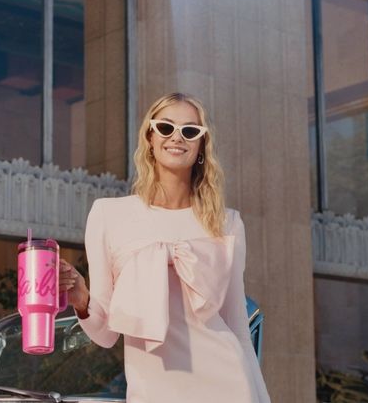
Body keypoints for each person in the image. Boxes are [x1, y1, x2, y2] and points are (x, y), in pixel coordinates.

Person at [59, 92, 272, 403]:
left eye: (190, 130)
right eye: (166, 127)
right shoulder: (109, 215)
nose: (177, 137)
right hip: (153, 390)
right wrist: (81, 299)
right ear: (150, 137)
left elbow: (238, 327)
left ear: (201, 145)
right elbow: (105, 334)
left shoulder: (227, 223)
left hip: (227, 384)